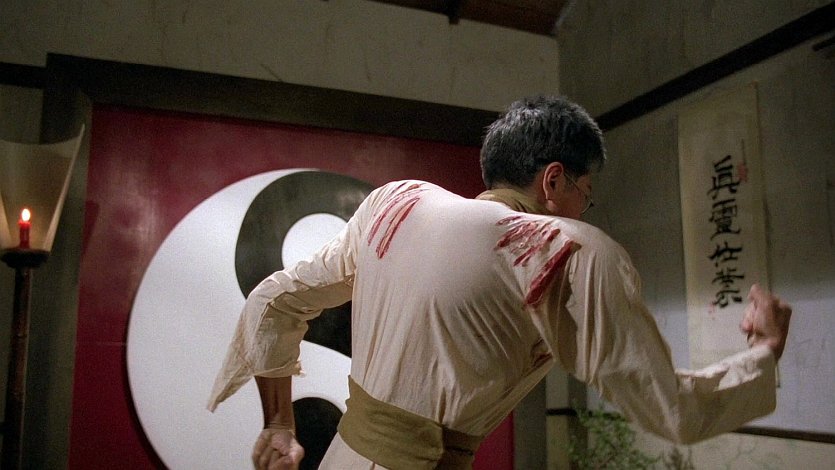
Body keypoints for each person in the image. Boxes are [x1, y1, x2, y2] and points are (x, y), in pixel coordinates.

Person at [208, 95, 792, 470]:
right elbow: (669, 408)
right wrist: (763, 353)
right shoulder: (569, 250)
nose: (584, 210)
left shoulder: (396, 202)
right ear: (554, 181)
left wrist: (280, 423)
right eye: (586, 193)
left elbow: (274, 300)